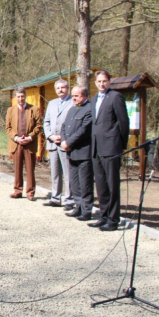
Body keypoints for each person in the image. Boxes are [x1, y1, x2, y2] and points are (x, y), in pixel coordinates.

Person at [90, 70, 129, 231]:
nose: (102, 84)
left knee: (112, 185)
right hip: (96, 148)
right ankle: (103, 216)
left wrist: (121, 145)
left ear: (109, 81)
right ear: (95, 82)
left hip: (111, 147)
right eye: (99, 81)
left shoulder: (115, 97)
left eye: (104, 81)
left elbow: (123, 122)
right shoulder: (93, 100)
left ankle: (113, 220)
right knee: (101, 185)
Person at [60, 86, 94, 221]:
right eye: (73, 96)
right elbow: (64, 127)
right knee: (74, 182)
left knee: (85, 183)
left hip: (83, 152)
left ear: (84, 96)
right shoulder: (72, 109)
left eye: (77, 96)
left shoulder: (89, 109)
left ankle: (86, 210)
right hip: (71, 152)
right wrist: (63, 141)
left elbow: (84, 130)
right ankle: (78, 206)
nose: (73, 98)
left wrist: (68, 143)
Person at [5, 87, 43, 201]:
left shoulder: (34, 109)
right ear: (15, 98)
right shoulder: (10, 110)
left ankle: (30, 192)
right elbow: (8, 128)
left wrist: (30, 137)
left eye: (22, 96)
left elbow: (39, 126)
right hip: (16, 144)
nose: (20, 99)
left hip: (29, 144)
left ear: (25, 96)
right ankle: (17, 190)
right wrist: (16, 138)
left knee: (30, 169)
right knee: (17, 169)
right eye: (18, 97)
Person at [43, 79, 73, 208]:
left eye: (63, 87)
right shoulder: (52, 103)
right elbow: (47, 122)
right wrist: (50, 136)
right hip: (52, 143)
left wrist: (64, 137)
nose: (60, 90)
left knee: (68, 173)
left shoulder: (73, 102)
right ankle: (55, 197)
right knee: (55, 172)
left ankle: (69, 199)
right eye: (58, 88)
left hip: (65, 143)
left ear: (67, 88)